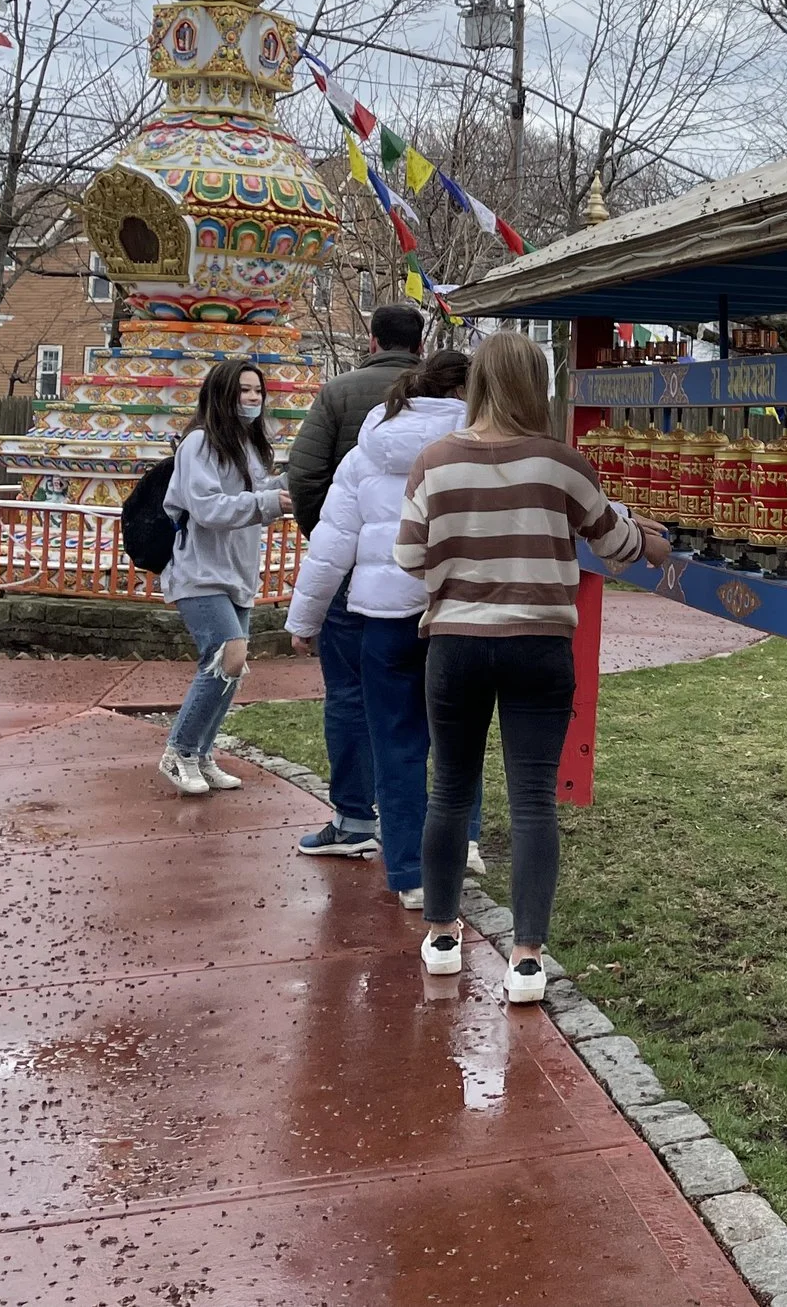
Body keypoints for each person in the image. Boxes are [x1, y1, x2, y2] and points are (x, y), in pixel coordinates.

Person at [395, 332, 669, 1000]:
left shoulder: (434, 462)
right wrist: (655, 541)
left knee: (449, 792)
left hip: (455, 646)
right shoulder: (562, 464)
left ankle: (439, 936)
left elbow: (407, 560)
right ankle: (525, 958)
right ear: (536, 386)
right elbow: (617, 541)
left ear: (479, 383)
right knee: (532, 800)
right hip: (540, 646)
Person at [284, 350, 485, 905]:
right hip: (459, 612)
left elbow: (330, 547)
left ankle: (409, 873)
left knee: (394, 741)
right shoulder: (481, 445)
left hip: (384, 619)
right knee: (459, 736)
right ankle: (464, 840)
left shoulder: (366, 451)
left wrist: (304, 619)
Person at [284, 303, 424, 859]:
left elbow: (305, 471)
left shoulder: (341, 394)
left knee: (348, 693)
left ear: (371, 340)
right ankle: (429, 819)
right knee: (422, 696)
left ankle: (352, 816)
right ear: (420, 343)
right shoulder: (447, 399)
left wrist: (323, 532)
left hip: (350, 561)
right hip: (428, 569)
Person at [157, 359, 290, 796]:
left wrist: (292, 485)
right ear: (221, 394)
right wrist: (268, 503)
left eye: (257, 391)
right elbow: (209, 508)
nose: (253, 399)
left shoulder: (249, 448)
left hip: (236, 573)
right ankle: (179, 752)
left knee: (230, 668)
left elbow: (257, 496)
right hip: (199, 570)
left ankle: (201, 751)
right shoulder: (198, 444)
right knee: (227, 655)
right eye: (243, 391)